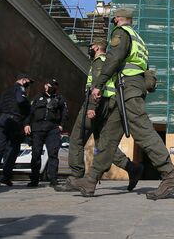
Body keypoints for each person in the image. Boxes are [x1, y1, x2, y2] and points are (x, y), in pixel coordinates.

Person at [66, 8, 174, 200]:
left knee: (143, 131)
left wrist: (99, 84)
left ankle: (170, 175)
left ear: (119, 19)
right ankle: (91, 179)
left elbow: (113, 59)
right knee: (109, 138)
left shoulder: (121, 33)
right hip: (128, 88)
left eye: (114, 19)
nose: (113, 22)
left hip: (128, 87)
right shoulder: (138, 38)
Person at [56, 38, 143, 193]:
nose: (90, 49)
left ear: (96, 47)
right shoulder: (109, 62)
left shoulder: (99, 61)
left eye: (91, 47)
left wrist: (91, 106)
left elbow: (97, 84)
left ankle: (76, 177)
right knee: (105, 145)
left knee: (77, 139)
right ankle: (132, 168)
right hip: (108, 106)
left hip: (96, 103)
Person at [0, 74, 33, 186]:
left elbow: (0, 107)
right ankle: (6, 176)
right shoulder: (20, 88)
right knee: (14, 148)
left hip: (3, 119)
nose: (28, 85)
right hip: (14, 121)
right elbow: (21, 101)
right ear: (22, 80)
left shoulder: (7, 91)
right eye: (28, 82)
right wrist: (29, 108)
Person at [24, 79, 67, 187]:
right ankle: (34, 180)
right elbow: (30, 112)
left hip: (52, 129)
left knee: (53, 154)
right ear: (45, 86)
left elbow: (65, 113)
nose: (52, 87)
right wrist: (27, 124)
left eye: (54, 86)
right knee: (36, 154)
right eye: (50, 85)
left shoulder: (59, 98)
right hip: (37, 128)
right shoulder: (38, 97)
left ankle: (53, 179)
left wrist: (61, 125)